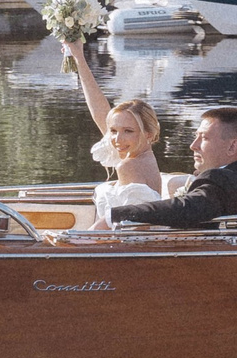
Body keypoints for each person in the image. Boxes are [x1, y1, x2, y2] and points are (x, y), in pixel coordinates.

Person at [108, 106, 237, 229]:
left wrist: (115, 215)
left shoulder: (220, 187)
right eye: (196, 136)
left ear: (232, 147)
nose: (193, 146)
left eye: (204, 138)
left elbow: (184, 208)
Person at [60, 37, 163, 222]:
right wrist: (79, 58)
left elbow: (127, 225)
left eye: (128, 131)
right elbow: (100, 112)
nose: (116, 139)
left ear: (148, 134)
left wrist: (73, 239)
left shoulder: (129, 165)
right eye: (114, 130)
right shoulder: (140, 155)